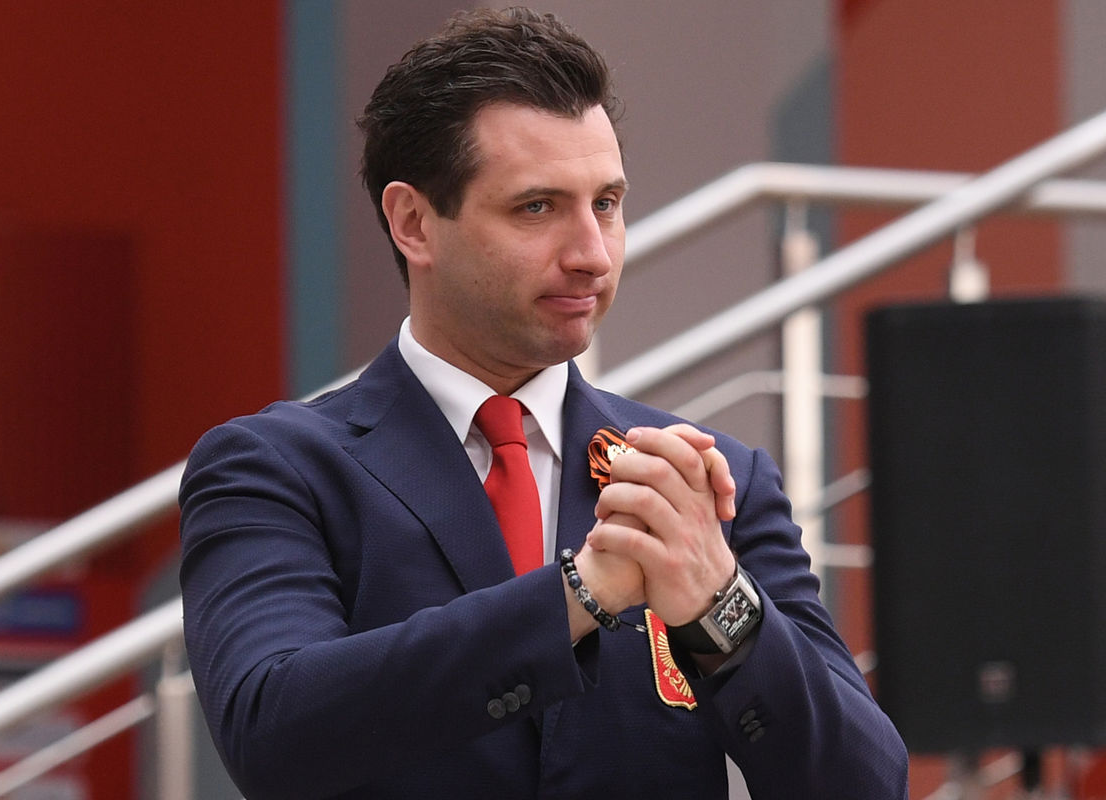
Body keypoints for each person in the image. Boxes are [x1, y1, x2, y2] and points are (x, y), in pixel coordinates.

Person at [178, 7, 908, 799]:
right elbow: (273, 733)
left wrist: (721, 603)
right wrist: (580, 594)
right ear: (413, 223)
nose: (592, 254)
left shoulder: (707, 481)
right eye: (537, 207)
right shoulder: (275, 467)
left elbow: (865, 784)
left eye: (607, 204)